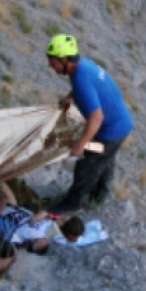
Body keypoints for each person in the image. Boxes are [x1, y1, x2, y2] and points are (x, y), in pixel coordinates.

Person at [45, 33, 134, 213]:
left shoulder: (80, 78)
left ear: (64, 60)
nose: (50, 65)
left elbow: (96, 117)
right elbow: (89, 89)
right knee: (105, 158)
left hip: (109, 133)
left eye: (53, 61)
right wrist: (70, 98)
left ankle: (73, 203)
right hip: (121, 126)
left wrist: (81, 144)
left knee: (87, 164)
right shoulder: (83, 66)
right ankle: (100, 194)